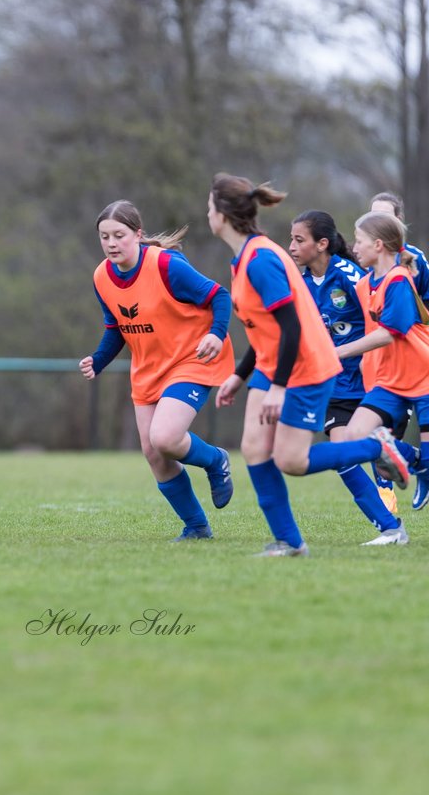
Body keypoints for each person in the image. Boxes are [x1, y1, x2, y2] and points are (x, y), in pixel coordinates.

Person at [212, 174, 408, 557]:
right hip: (274, 366)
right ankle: (289, 542)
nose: (207, 214)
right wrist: (239, 374)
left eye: (208, 207)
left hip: (305, 369)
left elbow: (291, 325)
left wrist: (280, 387)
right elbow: (263, 328)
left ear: (221, 214)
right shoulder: (245, 260)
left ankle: (375, 451)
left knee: (292, 461)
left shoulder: (262, 259)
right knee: (254, 449)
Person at [78, 200, 235, 542]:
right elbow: (116, 326)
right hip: (149, 368)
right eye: (105, 237)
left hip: (192, 358)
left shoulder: (166, 266)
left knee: (164, 438)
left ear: (138, 234)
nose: (112, 244)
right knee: (154, 453)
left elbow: (220, 296)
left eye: (119, 235)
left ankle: (215, 461)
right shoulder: (102, 276)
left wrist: (215, 334)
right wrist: (99, 359)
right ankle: (196, 527)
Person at [286, 210, 405, 541]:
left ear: (322, 244)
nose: (291, 247)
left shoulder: (351, 277)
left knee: (376, 455)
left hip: (370, 380)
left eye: (299, 240)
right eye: (291, 239)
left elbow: (384, 327)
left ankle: (406, 463)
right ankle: (391, 528)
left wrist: (344, 353)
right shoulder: (304, 283)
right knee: (342, 456)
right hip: (333, 384)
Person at [322, 210, 429, 518]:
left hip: (422, 377)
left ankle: (421, 465)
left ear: (378, 245)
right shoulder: (363, 284)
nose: (354, 248)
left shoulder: (399, 280)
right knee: (355, 436)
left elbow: (387, 335)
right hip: (390, 382)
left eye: (359, 241)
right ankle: (417, 462)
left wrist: (337, 353)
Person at [369, 191, 429, 508]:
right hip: (382, 364)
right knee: (375, 431)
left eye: (386, 217)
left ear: (400, 222)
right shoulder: (364, 259)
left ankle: (423, 468)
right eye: (373, 216)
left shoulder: (415, 261)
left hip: (416, 361)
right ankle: (385, 498)